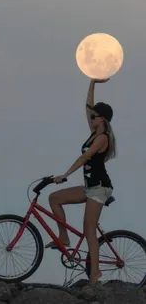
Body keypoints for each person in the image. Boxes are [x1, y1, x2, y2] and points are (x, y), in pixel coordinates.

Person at [45, 78, 116, 285]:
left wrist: (65, 173)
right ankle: (64, 238)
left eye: (94, 117)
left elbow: (86, 158)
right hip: (89, 187)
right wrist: (92, 82)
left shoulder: (102, 139)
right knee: (54, 198)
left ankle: (95, 275)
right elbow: (88, 106)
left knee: (89, 230)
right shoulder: (94, 132)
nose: (90, 117)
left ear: (102, 120)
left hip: (100, 189)